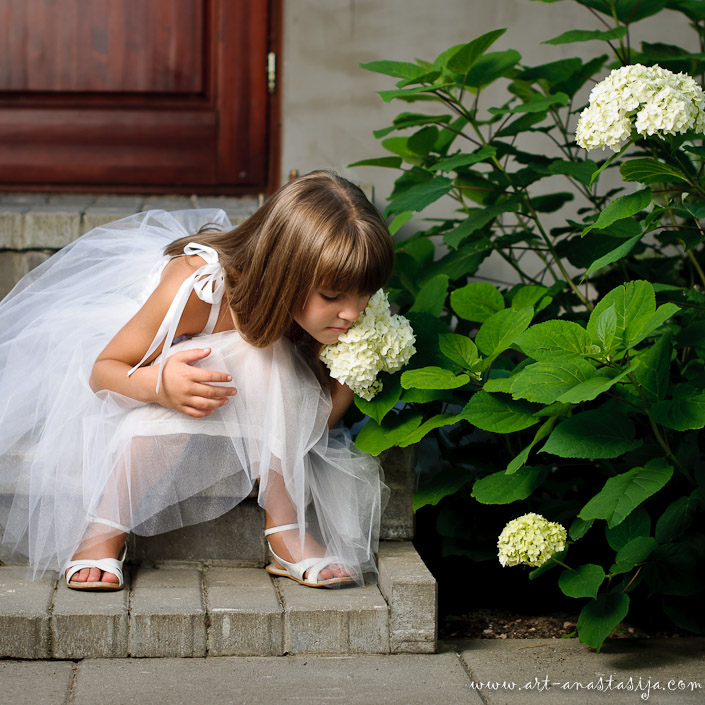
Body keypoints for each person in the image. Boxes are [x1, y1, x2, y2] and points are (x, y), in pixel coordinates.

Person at [0, 170, 394, 590]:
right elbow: (104, 371)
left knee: (267, 358)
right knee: (245, 355)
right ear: (285, 277)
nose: (353, 313)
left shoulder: (333, 314)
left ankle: (286, 530)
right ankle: (105, 528)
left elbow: (310, 425)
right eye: (333, 297)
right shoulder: (197, 289)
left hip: (226, 382)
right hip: (149, 369)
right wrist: (160, 384)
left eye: (365, 294)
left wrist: (352, 371)